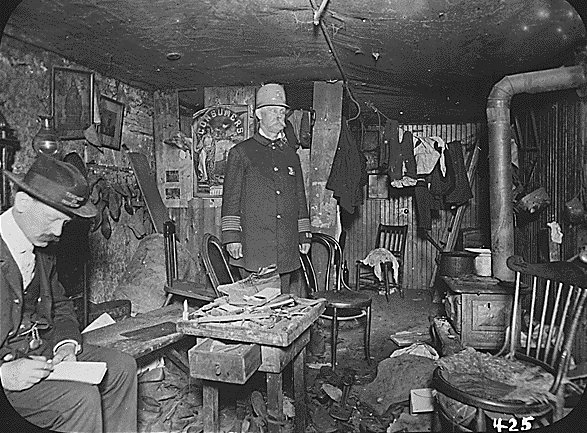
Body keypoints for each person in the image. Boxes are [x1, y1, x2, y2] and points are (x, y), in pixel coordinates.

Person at [0, 154, 137, 432]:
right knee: (80, 399)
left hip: (43, 353)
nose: (59, 232)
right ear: (23, 203)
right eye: (54, 220)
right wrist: (3, 375)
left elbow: (61, 307)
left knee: (122, 367)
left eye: (65, 222)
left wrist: (66, 344)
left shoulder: (42, 250)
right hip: (8, 372)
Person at [221, 83, 311, 294]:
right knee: (256, 309)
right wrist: (232, 237)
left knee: (283, 306)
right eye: (273, 111)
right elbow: (231, 199)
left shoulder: (291, 155)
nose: (280, 116)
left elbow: (300, 197)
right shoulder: (241, 153)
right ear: (258, 114)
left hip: (286, 246)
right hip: (255, 247)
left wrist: (304, 234)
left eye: (282, 111)